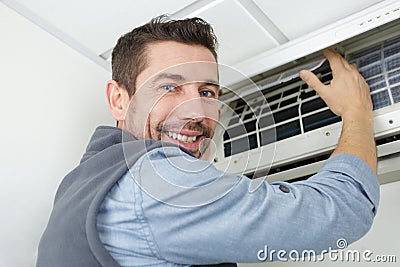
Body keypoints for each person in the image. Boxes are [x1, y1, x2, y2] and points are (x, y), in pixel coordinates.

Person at [36, 15, 379, 267]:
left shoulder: (80, 185)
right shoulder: (153, 182)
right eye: (169, 87)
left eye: (206, 91)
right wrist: (357, 114)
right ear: (119, 99)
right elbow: (341, 210)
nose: (197, 111)